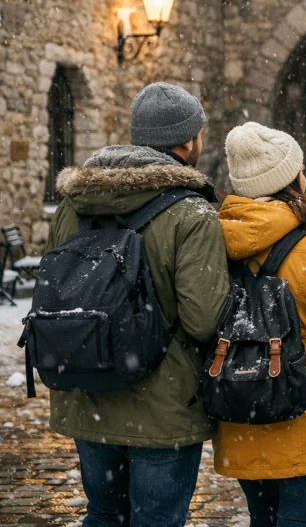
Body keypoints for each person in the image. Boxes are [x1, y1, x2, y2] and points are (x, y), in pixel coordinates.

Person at [44, 82, 230, 526]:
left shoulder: (73, 205)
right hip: (161, 406)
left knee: (105, 514)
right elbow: (203, 319)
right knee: (157, 519)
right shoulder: (192, 213)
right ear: (187, 140)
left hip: (86, 387)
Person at [213, 122, 306, 526]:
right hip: (304, 409)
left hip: (240, 409)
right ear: (290, 180)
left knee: (262, 517)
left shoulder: (215, 242)